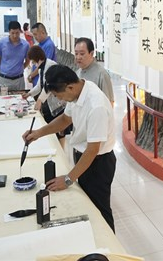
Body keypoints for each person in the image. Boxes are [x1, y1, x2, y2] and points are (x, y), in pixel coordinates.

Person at [22, 65, 116, 232]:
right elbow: (65, 119)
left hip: (98, 163)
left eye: (59, 96)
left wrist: (67, 179)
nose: (60, 100)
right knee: (87, 205)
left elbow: (92, 150)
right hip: (84, 157)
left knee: (100, 210)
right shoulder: (78, 92)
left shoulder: (96, 106)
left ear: (70, 87)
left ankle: (109, 245)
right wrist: (38, 133)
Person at [21, 46, 71, 146]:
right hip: (50, 103)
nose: (33, 64)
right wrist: (29, 93)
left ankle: (61, 150)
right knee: (51, 128)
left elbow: (48, 86)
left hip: (58, 103)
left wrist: (40, 100)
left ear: (37, 58)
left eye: (33, 61)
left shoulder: (50, 65)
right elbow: (40, 86)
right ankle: (55, 146)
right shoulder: (41, 68)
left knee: (60, 130)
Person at [74, 38, 114, 103]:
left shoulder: (102, 74)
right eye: (76, 53)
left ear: (91, 53)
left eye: (82, 54)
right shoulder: (77, 73)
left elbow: (109, 102)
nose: (78, 57)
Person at [0, 21, 30, 91]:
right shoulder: (1, 43)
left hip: (19, 80)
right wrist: (6, 68)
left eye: (17, 33)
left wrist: (19, 68)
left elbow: (27, 61)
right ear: (9, 32)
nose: (15, 35)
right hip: (4, 79)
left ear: (20, 31)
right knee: (4, 98)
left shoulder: (25, 45)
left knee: (20, 97)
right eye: (12, 33)